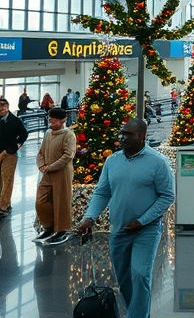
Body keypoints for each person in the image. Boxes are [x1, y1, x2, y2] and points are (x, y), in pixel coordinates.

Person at [79, 118, 175, 318]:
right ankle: (136, 311)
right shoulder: (112, 161)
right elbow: (102, 192)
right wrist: (90, 217)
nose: (122, 137)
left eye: (128, 134)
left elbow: (167, 195)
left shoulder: (157, 162)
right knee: (124, 280)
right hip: (119, 229)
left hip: (146, 229)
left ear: (142, 136)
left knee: (140, 274)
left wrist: (142, 220)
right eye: (121, 133)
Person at [34, 108, 76, 245]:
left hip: (62, 173)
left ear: (62, 120)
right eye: (49, 120)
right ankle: (49, 226)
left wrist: (50, 167)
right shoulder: (48, 134)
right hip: (47, 173)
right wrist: (41, 165)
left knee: (61, 202)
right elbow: (40, 153)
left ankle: (62, 230)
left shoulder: (69, 135)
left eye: (53, 120)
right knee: (41, 201)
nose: (50, 123)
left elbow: (67, 156)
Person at [0, 97, 28, 218]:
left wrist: (16, 146)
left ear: (8, 107)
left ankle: (3, 206)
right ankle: (6, 202)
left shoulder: (15, 121)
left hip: (9, 154)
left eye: (3, 107)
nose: (1, 109)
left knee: (7, 180)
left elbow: (24, 134)